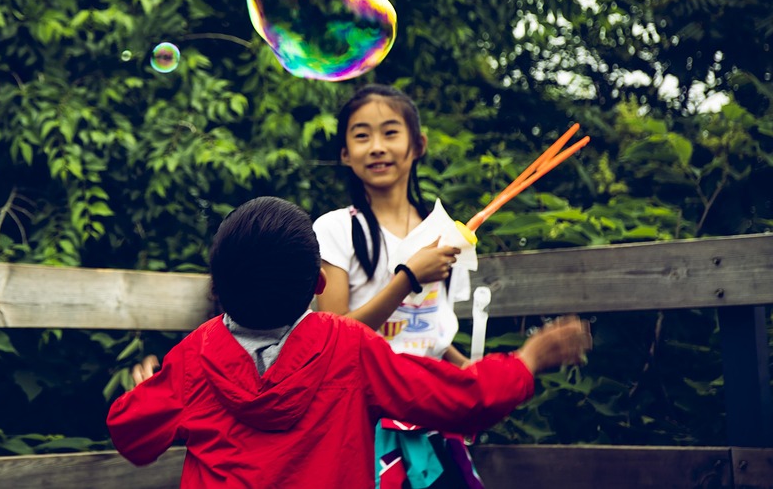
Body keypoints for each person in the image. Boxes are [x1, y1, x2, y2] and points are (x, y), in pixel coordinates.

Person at [107, 196, 592, 489]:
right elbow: (459, 400)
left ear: (216, 286)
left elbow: (132, 436)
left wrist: (145, 392)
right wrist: (526, 361)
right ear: (319, 283)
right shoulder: (347, 347)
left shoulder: (194, 357)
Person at [313, 83, 477, 487]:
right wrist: (408, 278)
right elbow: (334, 335)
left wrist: (464, 366)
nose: (376, 147)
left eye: (390, 132)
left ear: (417, 145)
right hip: (366, 417)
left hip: (432, 410)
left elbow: (426, 330)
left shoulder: (444, 231)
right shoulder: (336, 229)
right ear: (344, 153)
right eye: (361, 135)